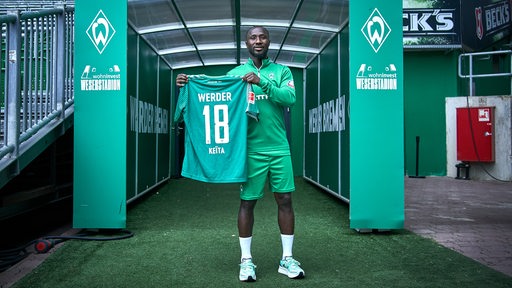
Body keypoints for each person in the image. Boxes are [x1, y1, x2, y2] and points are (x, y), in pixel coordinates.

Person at [176, 26, 304, 282]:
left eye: (262, 37)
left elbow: (289, 98)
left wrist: (261, 81)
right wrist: (189, 82)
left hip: (279, 147)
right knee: (247, 202)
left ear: (269, 41)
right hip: (249, 150)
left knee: (286, 200)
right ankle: (246, 261)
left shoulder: (281, 71)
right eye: (253, 37)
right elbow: (216, 89)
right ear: (246, 43)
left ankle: (287, 258)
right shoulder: (236, 73)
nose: (258, 41)